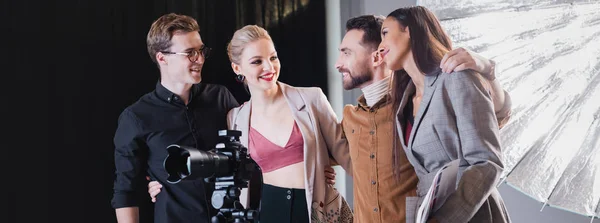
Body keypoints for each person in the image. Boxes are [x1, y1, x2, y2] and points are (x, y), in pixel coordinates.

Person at [149, 25, 354, 223]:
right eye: (257, 61)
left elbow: (345, 153)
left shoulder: (311, 99)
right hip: (269, 211)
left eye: (273, 57)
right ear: (237, 68)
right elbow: (221, 165)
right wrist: (156, 182)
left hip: (318, 210)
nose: (269, 67)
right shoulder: (235, 118)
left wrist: (320, 166)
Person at [335, 15, 512, 223]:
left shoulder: (415, 100)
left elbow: (496, 116)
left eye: (346, 53)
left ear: (377, 57)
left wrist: (488, 70)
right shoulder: (351, 118)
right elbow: (311, 143)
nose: (338, 64)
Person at [111, 13, 240, 223]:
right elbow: (125, 191)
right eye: (190, 53)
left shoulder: (221, 97)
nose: (200, 59)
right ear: (162, 58)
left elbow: (251, 150)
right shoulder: (136, 117)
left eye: (201, 50)